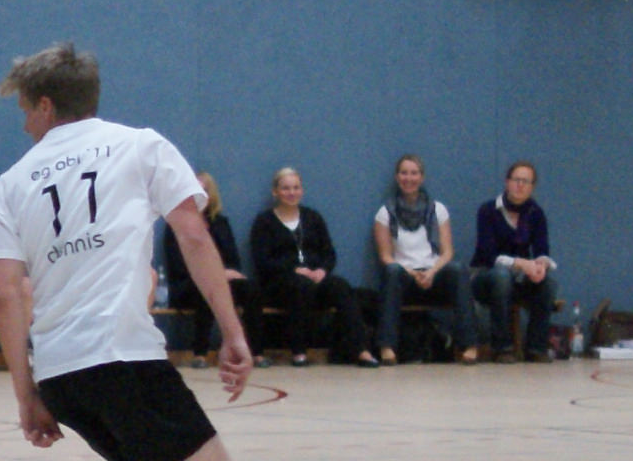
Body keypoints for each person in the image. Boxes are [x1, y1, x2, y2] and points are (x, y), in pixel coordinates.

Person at [0, 44, 328, 461]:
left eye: (25, 110)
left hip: (61, 373)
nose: (24, 124)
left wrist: (26, 396)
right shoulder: (141, 146)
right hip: (122, 357)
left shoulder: (12, 183)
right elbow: (193, 235)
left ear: (48, 105)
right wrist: (231, 330)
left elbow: (5, 294)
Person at [250, 167, 368, 369]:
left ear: (302, 190)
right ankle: (299, 351)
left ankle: (361, 349)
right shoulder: (265, 221)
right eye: (286, 188)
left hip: (315, 279)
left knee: (340, 286)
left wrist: (322, 270)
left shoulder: (313, 218)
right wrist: (293, 269)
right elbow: (262, 260)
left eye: (296, 187)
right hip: (281, 283)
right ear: (275, 192)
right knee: (300, 286)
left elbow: (329, 254)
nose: (291, 192)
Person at [368, 156, 468, 366]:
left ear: (421, 177)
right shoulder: (385, 213)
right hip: (404, 278)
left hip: (434, 275)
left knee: (458, 270)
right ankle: (387, 347)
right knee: (392, 271)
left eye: (414, 173)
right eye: (404, 173)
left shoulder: (438, 210)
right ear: (397, 177)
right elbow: (386, 257)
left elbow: (447, 252)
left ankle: (469, 345)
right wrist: (413, 274)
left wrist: (431, 272)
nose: (409, 178)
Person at [158, 172, 253, 366]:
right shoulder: (175, 224)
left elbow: (233, 260)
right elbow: (177, 266)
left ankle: (254, 350)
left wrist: (223, 274)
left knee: (250, 290)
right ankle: (200, 352)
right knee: (206, 288)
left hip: (224, 279)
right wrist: (215, 275)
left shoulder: (221, 223)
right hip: (187, 284)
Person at [468, 163, 559, 363]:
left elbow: (542, 250)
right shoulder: (488, 210)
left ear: (532, 187)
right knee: (502, 277)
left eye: (526, 181)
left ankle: (536, 347)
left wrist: (540, 266)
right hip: (486, 275)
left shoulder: (536, 213)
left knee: (548, 284)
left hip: (518, 277)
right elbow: (488, 254)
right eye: (516, 180)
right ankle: (502, 348)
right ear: (507, 182)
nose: (520, 185)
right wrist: (520, 263)